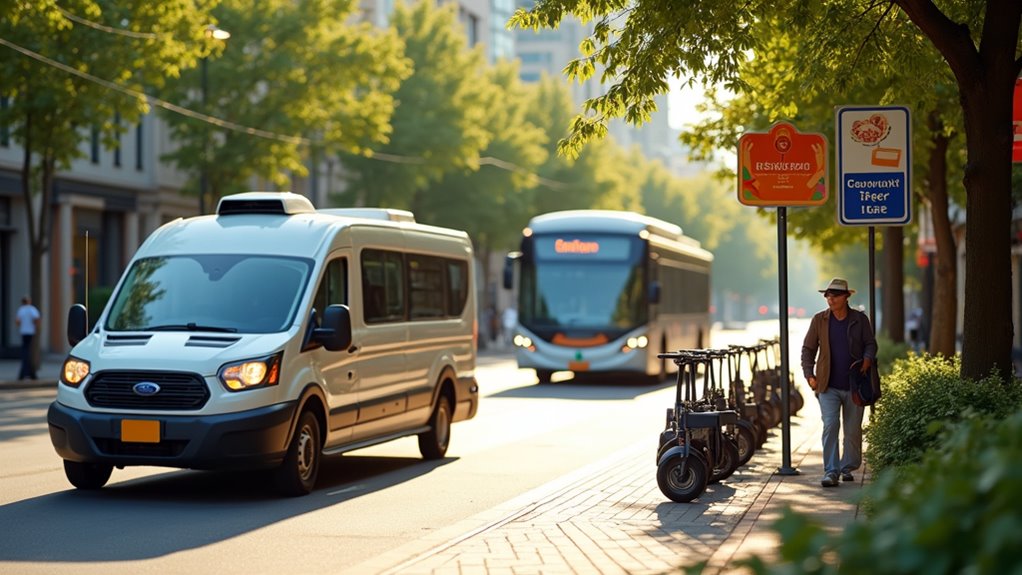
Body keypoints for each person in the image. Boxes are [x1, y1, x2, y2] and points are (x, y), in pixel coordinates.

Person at [800, 278, 877, 488]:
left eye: (835, 295)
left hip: (855, 385)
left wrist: (868, 359)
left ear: (846, 297)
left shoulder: (860, 320)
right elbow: (807, 350)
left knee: (852, 430)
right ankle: (831, 471)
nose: (830, 298)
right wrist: (809, 375)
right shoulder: (819, 320)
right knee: (831, 425)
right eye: (827, 295)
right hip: (828, 385)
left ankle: (848, 467)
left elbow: (870, 344)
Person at [16, 295, 41, 380]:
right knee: (29, 352)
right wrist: (35, 327)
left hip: (23, 332)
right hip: (30, 332)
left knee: (25, 351)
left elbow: (17, 321)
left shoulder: (21, 310)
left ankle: (25, 373)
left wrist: (22, 325)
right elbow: (37, 319)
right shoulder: (32, 309)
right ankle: (30, 373)